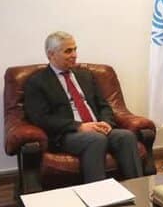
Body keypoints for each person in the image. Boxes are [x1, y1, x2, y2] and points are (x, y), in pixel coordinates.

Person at [24, 31, 143, 183]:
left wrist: (106, 122)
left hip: (97, 128)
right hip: (67, 134)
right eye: (68, 51)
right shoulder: (37, 82)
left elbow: (103, 105)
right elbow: (41, 118)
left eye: (75, 49)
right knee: (96, 139)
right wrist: (79, 126)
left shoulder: (85, 75)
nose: (74, 55)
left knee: (126, 137)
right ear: (51, 54)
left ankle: (138, 188)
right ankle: (97, 194)